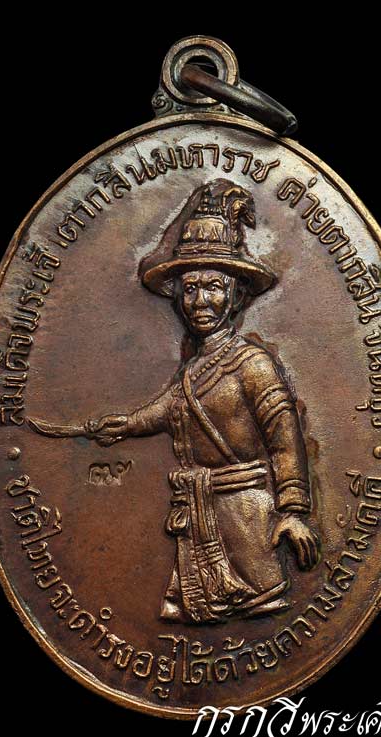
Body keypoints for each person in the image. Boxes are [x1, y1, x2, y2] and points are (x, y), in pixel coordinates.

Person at [86, 179, 320, 624]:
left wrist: (292, 510)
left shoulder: (252, 364)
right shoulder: (194, 369)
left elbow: (284, 437)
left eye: (213, 287)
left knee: (261, 610)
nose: (199, 301)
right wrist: (127, 424)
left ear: (236, 295)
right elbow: (168, 408)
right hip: (199, 512)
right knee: (192, 613)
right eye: (189, 288)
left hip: (246, 514)